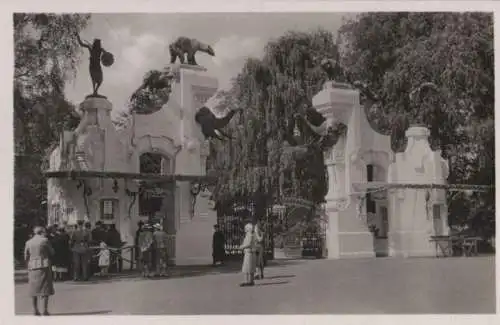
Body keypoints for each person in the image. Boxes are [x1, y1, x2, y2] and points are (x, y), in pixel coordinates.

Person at [24, 226, 55, 316]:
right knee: (45, 287)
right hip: (44, 265)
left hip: (33, 266)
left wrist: (28, 263)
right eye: (44, 232)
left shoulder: (28, 242)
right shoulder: (45, 241)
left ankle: (35, 310)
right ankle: (45, 310)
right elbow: (52, 252)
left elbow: (26, 256)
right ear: (41, 232)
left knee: (34, 288)